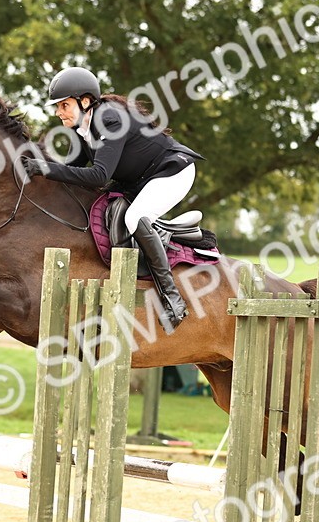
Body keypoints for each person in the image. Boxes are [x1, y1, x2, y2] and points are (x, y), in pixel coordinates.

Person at [22, 66, 204, 330]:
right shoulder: (81, 127)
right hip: (141, 180)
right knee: (108, 211)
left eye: (64, 105)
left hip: (172, 172)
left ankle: (172, 298)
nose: (58, 112)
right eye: (58, 106)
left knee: (134, 218)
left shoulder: (110, 119)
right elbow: (72, 172)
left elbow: (98, 176)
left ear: (85, 101)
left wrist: (44, 168)